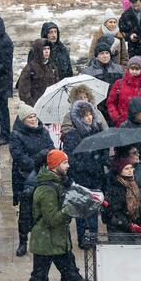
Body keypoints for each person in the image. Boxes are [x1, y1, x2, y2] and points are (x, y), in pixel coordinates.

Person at [5, 150, 87, 281]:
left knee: (69, 275)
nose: (68, 166)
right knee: (38, 280)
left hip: (58, 241)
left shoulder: (57, 183)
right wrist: (70, 208)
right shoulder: (46, 189)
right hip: (46, 242)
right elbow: (52, 219)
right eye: (64, 163)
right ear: (55, 166)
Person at [9, 103, 54, 256]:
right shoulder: (16, 135)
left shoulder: (43, 131)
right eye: (30, 117)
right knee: (25, 211)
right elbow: (20, 158)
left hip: (43, 176)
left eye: (34, 116)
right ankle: (23, 241)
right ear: (23, 119)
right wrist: (38, 158)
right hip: (24, 177)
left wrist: (46, 156)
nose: (34, 119)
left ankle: (43, 239)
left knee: (45, 209)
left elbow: (51, 149)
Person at [61, 101, 107, 247]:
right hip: (80, 178)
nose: (88, 118)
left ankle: (93, 237)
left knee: (93, 209)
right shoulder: (72, 135)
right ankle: (82, 238)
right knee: (81, 210)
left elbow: (104, 150)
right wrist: (88, 165)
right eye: (85, 115)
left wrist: (100, 161)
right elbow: (71, 159)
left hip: (96, 177)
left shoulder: (97, 130)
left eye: (89, 114)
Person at [102, 158, 141, 238]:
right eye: (126, 169)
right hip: (120, 231)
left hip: (138, 228)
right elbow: (113, 213)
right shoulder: (114, 188)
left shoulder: (139, 186)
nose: (130, 171)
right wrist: (129, 225)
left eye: (131, 168)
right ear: (120, 171)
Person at [105, 56, 141, 126]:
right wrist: (116, 116)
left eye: (137, 69)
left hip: (139, 123)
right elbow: (110, 102)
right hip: (121, 123)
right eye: (132, 69)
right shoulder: (119, 83)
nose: (134, 71)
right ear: (128, 69)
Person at [16, 39, 57, 107]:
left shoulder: (51, 67)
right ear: (38, 51)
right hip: (34, 106)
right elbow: (24, 92)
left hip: (49, 105)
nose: (47, 51)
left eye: (48, 49)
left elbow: (55, 86)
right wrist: (33, 105)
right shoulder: (29, 68)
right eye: (44, 49)